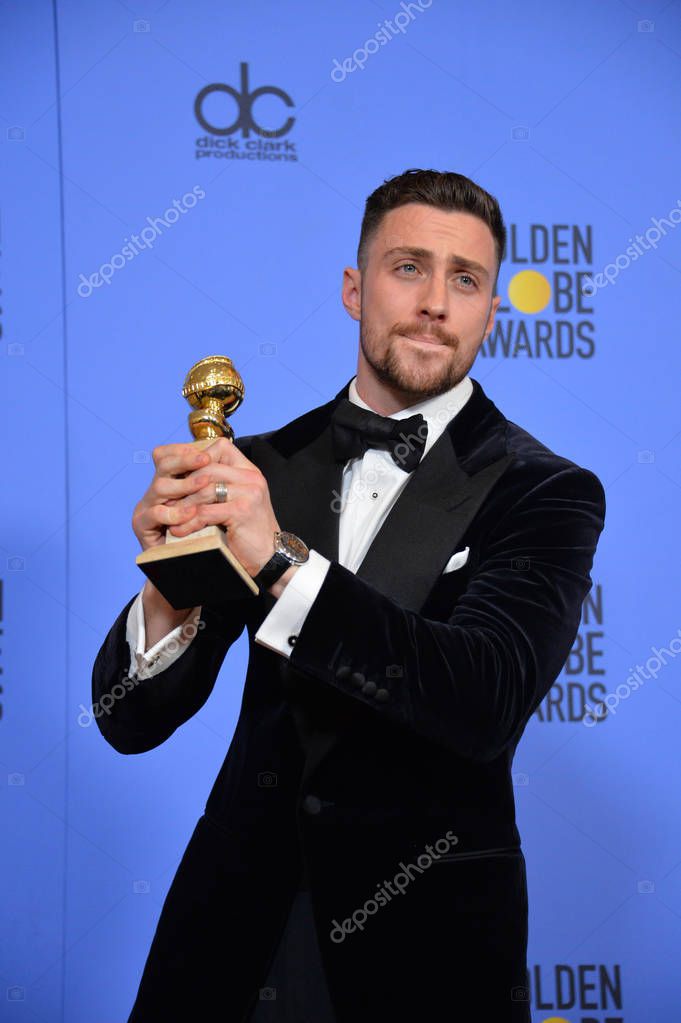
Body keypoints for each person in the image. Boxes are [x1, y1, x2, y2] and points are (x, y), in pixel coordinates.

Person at [92, 168, 606, 1022]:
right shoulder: (259, 467)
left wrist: (280, 566)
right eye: (408, 267)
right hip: (230, 938)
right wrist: (169, 591)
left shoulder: (546, 489)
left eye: (465, 278)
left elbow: (480, 698)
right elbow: (127, 720)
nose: (435, 301)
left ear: (489, 309)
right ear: (353, 287)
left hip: (425, 954)